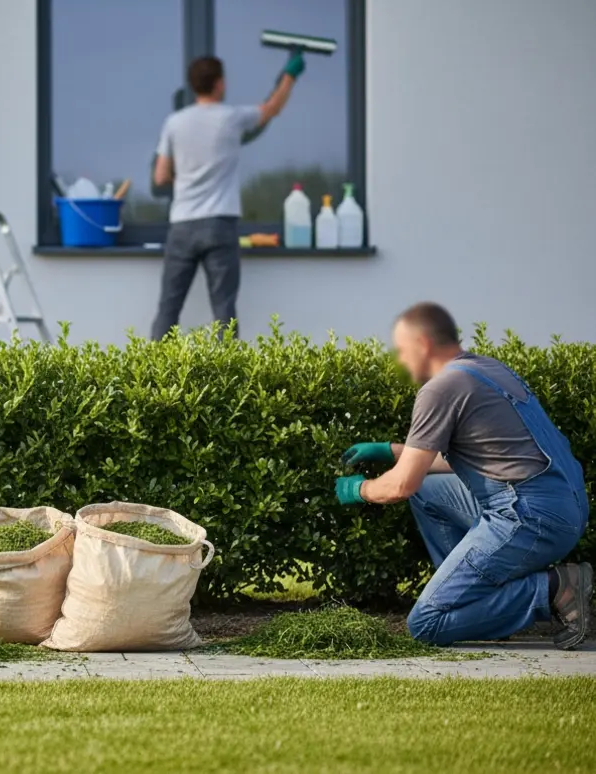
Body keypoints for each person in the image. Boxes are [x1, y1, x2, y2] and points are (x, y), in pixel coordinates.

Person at [335, 302, 591, 648]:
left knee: (427, 623)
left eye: (401, 349)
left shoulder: (441, 388)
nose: (399, 359)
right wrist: (389, 450)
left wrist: (359, 489)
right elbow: (468, 458)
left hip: (527, 515)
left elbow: (401, 485)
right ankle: (479, 610)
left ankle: (555, 589)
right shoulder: (486, 370)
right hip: (562, 505)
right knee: (429, 490)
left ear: (423, 343)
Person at [149, 52, 304, 341]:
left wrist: (185, 178)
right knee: (224, 313)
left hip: (183, 224)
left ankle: (148, 381)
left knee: (168, 310)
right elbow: (272, 108)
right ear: (219, 84)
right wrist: (290, 75)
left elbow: (160, 177)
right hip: (219, 224)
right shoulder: (232, 118)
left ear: (194, 85)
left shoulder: (174, 123)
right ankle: (226, 385)